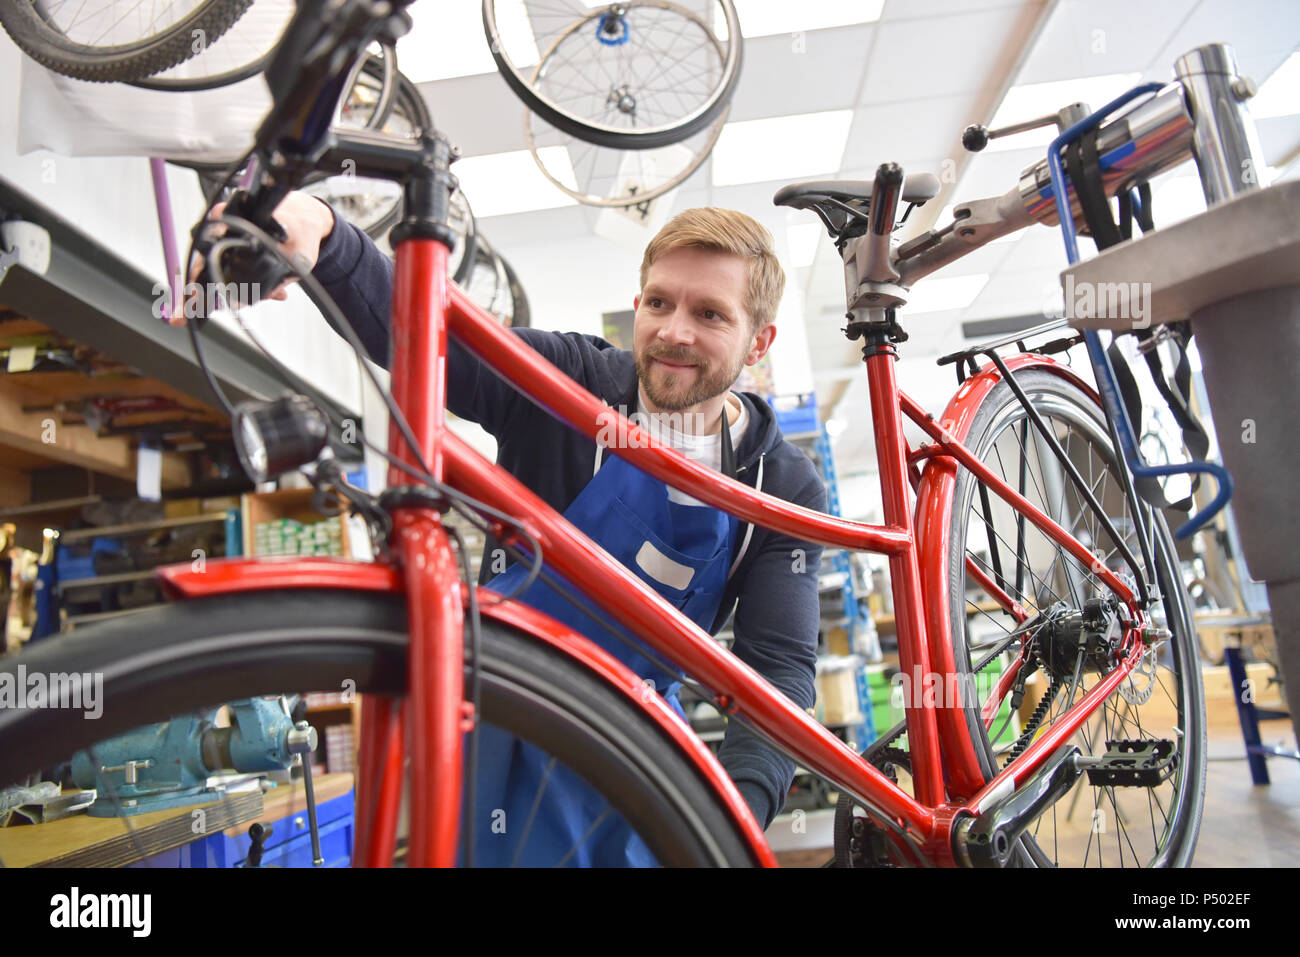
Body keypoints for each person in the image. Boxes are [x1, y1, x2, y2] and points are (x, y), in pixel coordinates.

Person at [258, 194, 826, 864]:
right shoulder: (570, 385)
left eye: (709, 314)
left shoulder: (781, 486)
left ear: (759, 340)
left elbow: (778, 669)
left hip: (632, 757)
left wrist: (733, 817)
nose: (674, 330)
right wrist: (325, 236)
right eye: (658, 302)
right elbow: (429, 335)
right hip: (490, 726)